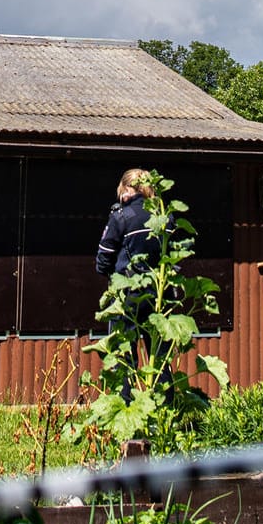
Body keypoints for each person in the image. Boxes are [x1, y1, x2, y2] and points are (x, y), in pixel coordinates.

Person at [94, 168, 166, 402]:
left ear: (126, 189)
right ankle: (165, 409)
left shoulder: (121, 216)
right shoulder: (164, 216)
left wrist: (110, 273)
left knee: (125, 354)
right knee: (159, 354)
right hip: (158, 292)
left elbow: (103, 257)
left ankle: (127, 408)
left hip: (128, 293)